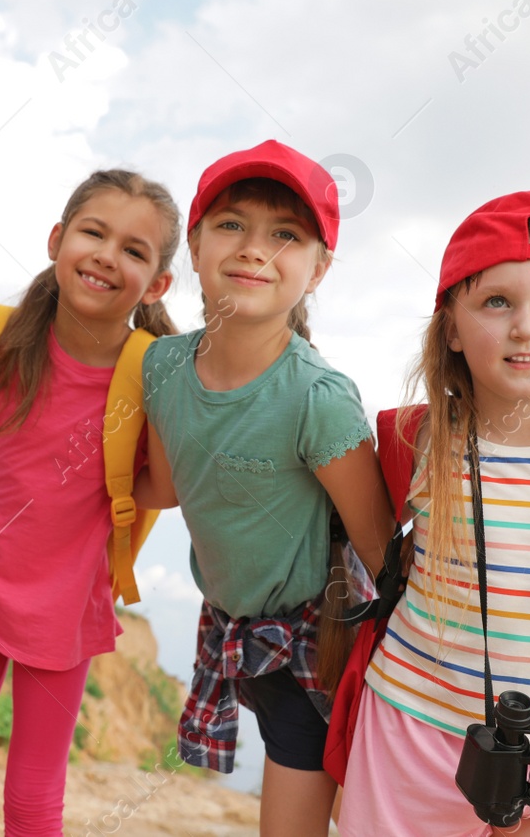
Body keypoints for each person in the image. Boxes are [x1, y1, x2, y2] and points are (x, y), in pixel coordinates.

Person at [339, 190, 530, 836]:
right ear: (450, 326)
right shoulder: (415, 441)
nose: (526, 326)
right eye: (496, 301)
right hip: (410, 731)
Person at [138, 140, 397, 836]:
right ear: (192, 247)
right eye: (232, 225)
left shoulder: (317, 398)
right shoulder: (162, 365)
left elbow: (383, 556)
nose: (255, 248)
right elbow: (162, 487)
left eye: (285, 234)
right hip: (231, 625)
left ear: (319, 269)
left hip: (319, 643)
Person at [0, 169, 179, 836]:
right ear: (58, 239)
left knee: (33, 801)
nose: (106, 255)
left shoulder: (152, 373)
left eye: (134, 250)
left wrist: (174, 397)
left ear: (158, 284)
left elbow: (163, 489)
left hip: (65, 607)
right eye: (93, 232)